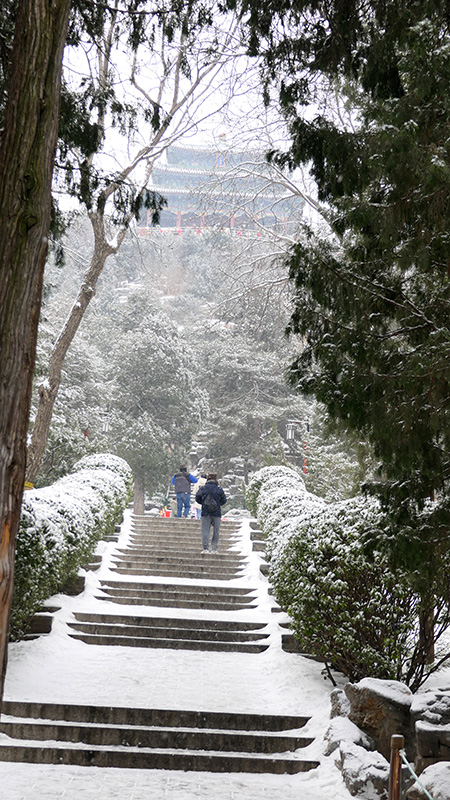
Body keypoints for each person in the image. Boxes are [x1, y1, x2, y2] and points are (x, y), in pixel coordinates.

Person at [195, 472, 226, 554]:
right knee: (216, 531)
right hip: (216, 513)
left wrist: (204, 504)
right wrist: (217, 504)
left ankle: (205, 548)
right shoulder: (219, 489)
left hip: (205, 513)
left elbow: (197, 498)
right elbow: (224, 500)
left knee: (205, 531)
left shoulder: (203, 488)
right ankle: (214, 549)